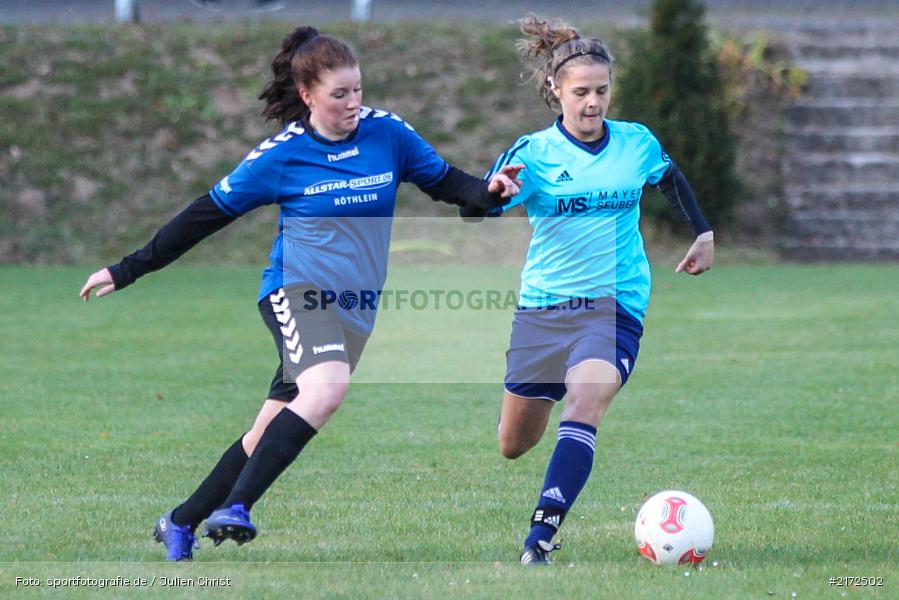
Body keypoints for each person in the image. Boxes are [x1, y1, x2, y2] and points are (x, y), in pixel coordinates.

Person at [79, 25, 522, 561]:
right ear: (308, 96)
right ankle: (238, 507)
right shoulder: (281, 156)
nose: (354, 103)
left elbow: (453, 185)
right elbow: (203, 216)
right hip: (296, 291)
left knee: (263, 433)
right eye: (340, 95)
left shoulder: (389, 134)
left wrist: (490, 192)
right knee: (327, 389)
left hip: (356, 309)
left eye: (358, 89)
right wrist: (127, 269)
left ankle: (178, 521)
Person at [469, 15, 715, 565]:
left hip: (614, 306)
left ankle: (540, 537)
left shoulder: (635, 143)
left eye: (602, 91)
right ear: (556, 91)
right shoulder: (533, 153)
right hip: (544, 309)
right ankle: (539, 503)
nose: (593, 102)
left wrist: (702, 231)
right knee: (515, 443)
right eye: (581, 92)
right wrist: (489, 193)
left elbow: (669, 178)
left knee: (584, 400)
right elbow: (475, 206)